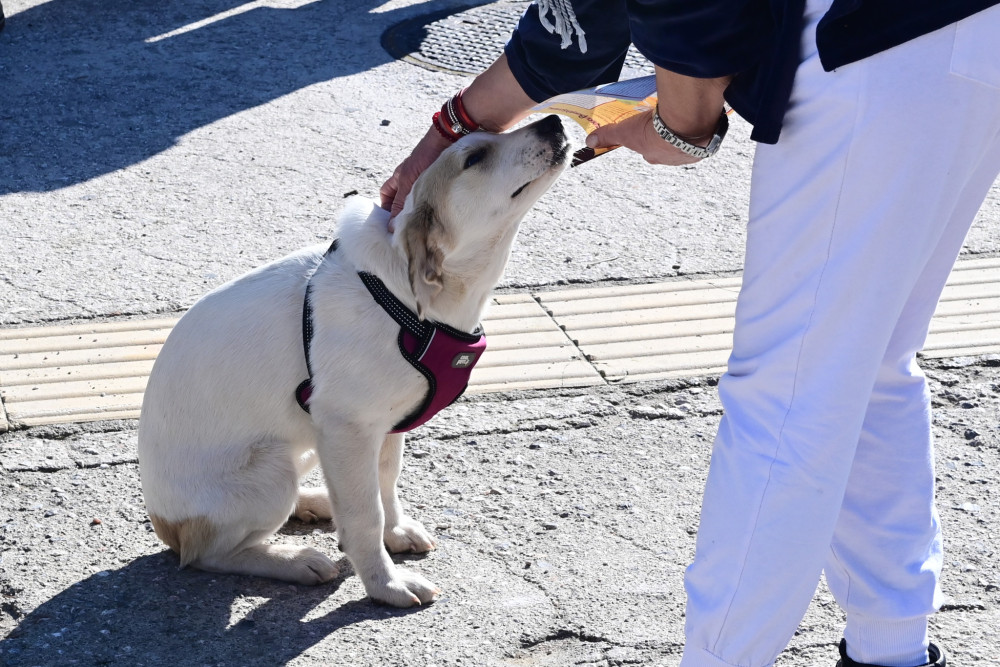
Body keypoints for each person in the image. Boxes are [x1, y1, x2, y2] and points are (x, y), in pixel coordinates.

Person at [380, 1, 1000, 665]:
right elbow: (581, 18)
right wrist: (459, 122)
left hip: (873, 50)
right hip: (968, 35)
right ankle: (891, 649)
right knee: (870, 360)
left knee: (786, 395)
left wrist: (681, 123)